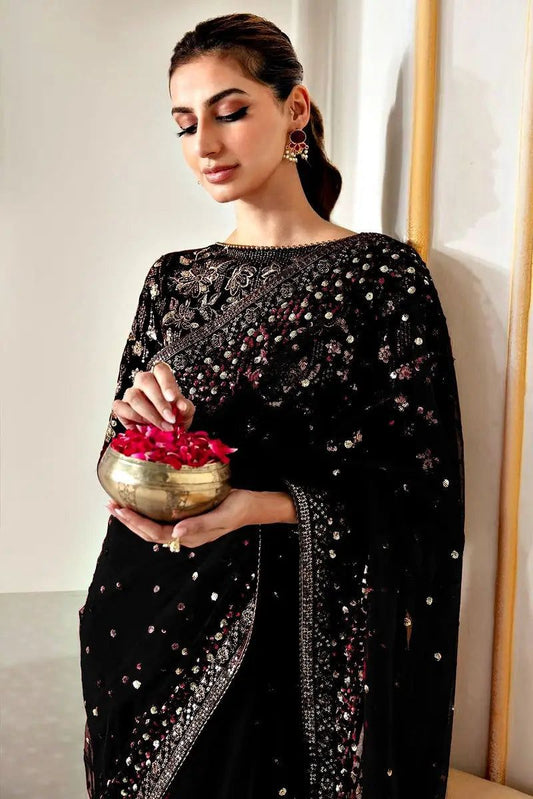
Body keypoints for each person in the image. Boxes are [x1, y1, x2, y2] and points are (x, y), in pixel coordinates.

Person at [78, 12, 465, 799]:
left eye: (229, 111)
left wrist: (262, 506)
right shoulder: (172, 279)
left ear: (294, 109)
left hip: (290, 645)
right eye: (184, 123)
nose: (205, 144)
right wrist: (142, 429)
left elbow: (421, 488)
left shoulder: (378, 276)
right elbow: (117, 459)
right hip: (150, 615)